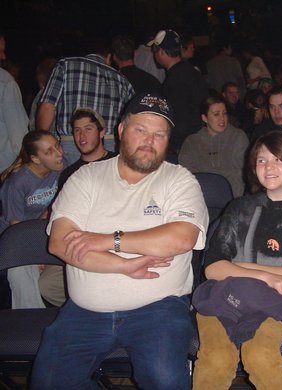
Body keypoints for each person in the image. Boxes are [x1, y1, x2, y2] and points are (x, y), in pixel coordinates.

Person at [31, 93, 209, 389]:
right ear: (122, 130)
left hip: (158, 307)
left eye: (159, 134)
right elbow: (61, 244)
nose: (149, 141)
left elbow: (181, 238)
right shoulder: (85, 178)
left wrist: (106, 240)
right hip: (84, 311)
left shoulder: (179, 180)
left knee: (165, 379)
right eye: (141, 130)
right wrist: (123, 266)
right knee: (47, 382)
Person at [192, 130, 282, 390]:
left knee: (260, 355)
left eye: (278, 159)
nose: (269, 167)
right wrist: (269, 275)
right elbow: (212, 268)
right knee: (216, 360)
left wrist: (238, 267)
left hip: (280, 304)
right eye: (262, 160)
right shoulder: (238, 208)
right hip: (224, 297)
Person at [36, 36, 135, 163]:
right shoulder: (122, 80)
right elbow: (131, 119)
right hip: (109, 146)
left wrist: (41, 143)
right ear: (109, 56)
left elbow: (47, 106)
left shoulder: (65, 66)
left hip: (73, 143)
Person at [1, 130, 64, 309]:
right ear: (35, 159)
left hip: (41, 230)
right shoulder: (17, 183)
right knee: (22, 274)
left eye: (57, 145)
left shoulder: (58, 168)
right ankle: (28, 322)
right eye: (49, 151)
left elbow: (50, 206)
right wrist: (36, 253)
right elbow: (16, 228)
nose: (59, 153)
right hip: (14, 238)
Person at [149, 29, 209, 153]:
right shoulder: (192, 71)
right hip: (199, 138)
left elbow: (179, 119)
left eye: (154, 51)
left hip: (185, 145)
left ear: (161, 52)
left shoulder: (174, 80)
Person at [179, 95, 249, 198]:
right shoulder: (192, 141)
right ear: (204, 118)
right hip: (200, 197)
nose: (222, 119)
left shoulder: (238, 136)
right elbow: (188, 174)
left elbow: (241, 172)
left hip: (233, 198)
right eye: (216, 114)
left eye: (224, 113)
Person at [57, 108, 117, 191]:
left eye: (88, 129)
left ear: (101, 133)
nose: (82, 136)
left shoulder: (118, 164)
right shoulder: (69, 175)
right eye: (77, 130)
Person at [0, 35, 28, 172]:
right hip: (4, 169)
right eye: (0, 51)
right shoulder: (6, 83)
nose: (3, 57)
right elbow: (18, 134)